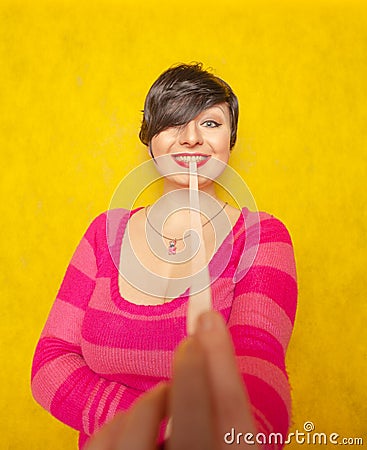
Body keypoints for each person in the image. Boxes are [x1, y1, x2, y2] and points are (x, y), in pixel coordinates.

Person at [31, 63, 298, 449]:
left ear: (230, 139)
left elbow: (259, 360)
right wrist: (167, 427)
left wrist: (236, 434)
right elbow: (50, 363)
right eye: (174, 123)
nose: (192, 138)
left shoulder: (261, 237)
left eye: (210, 123)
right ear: (150, 139)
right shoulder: (104, 234)